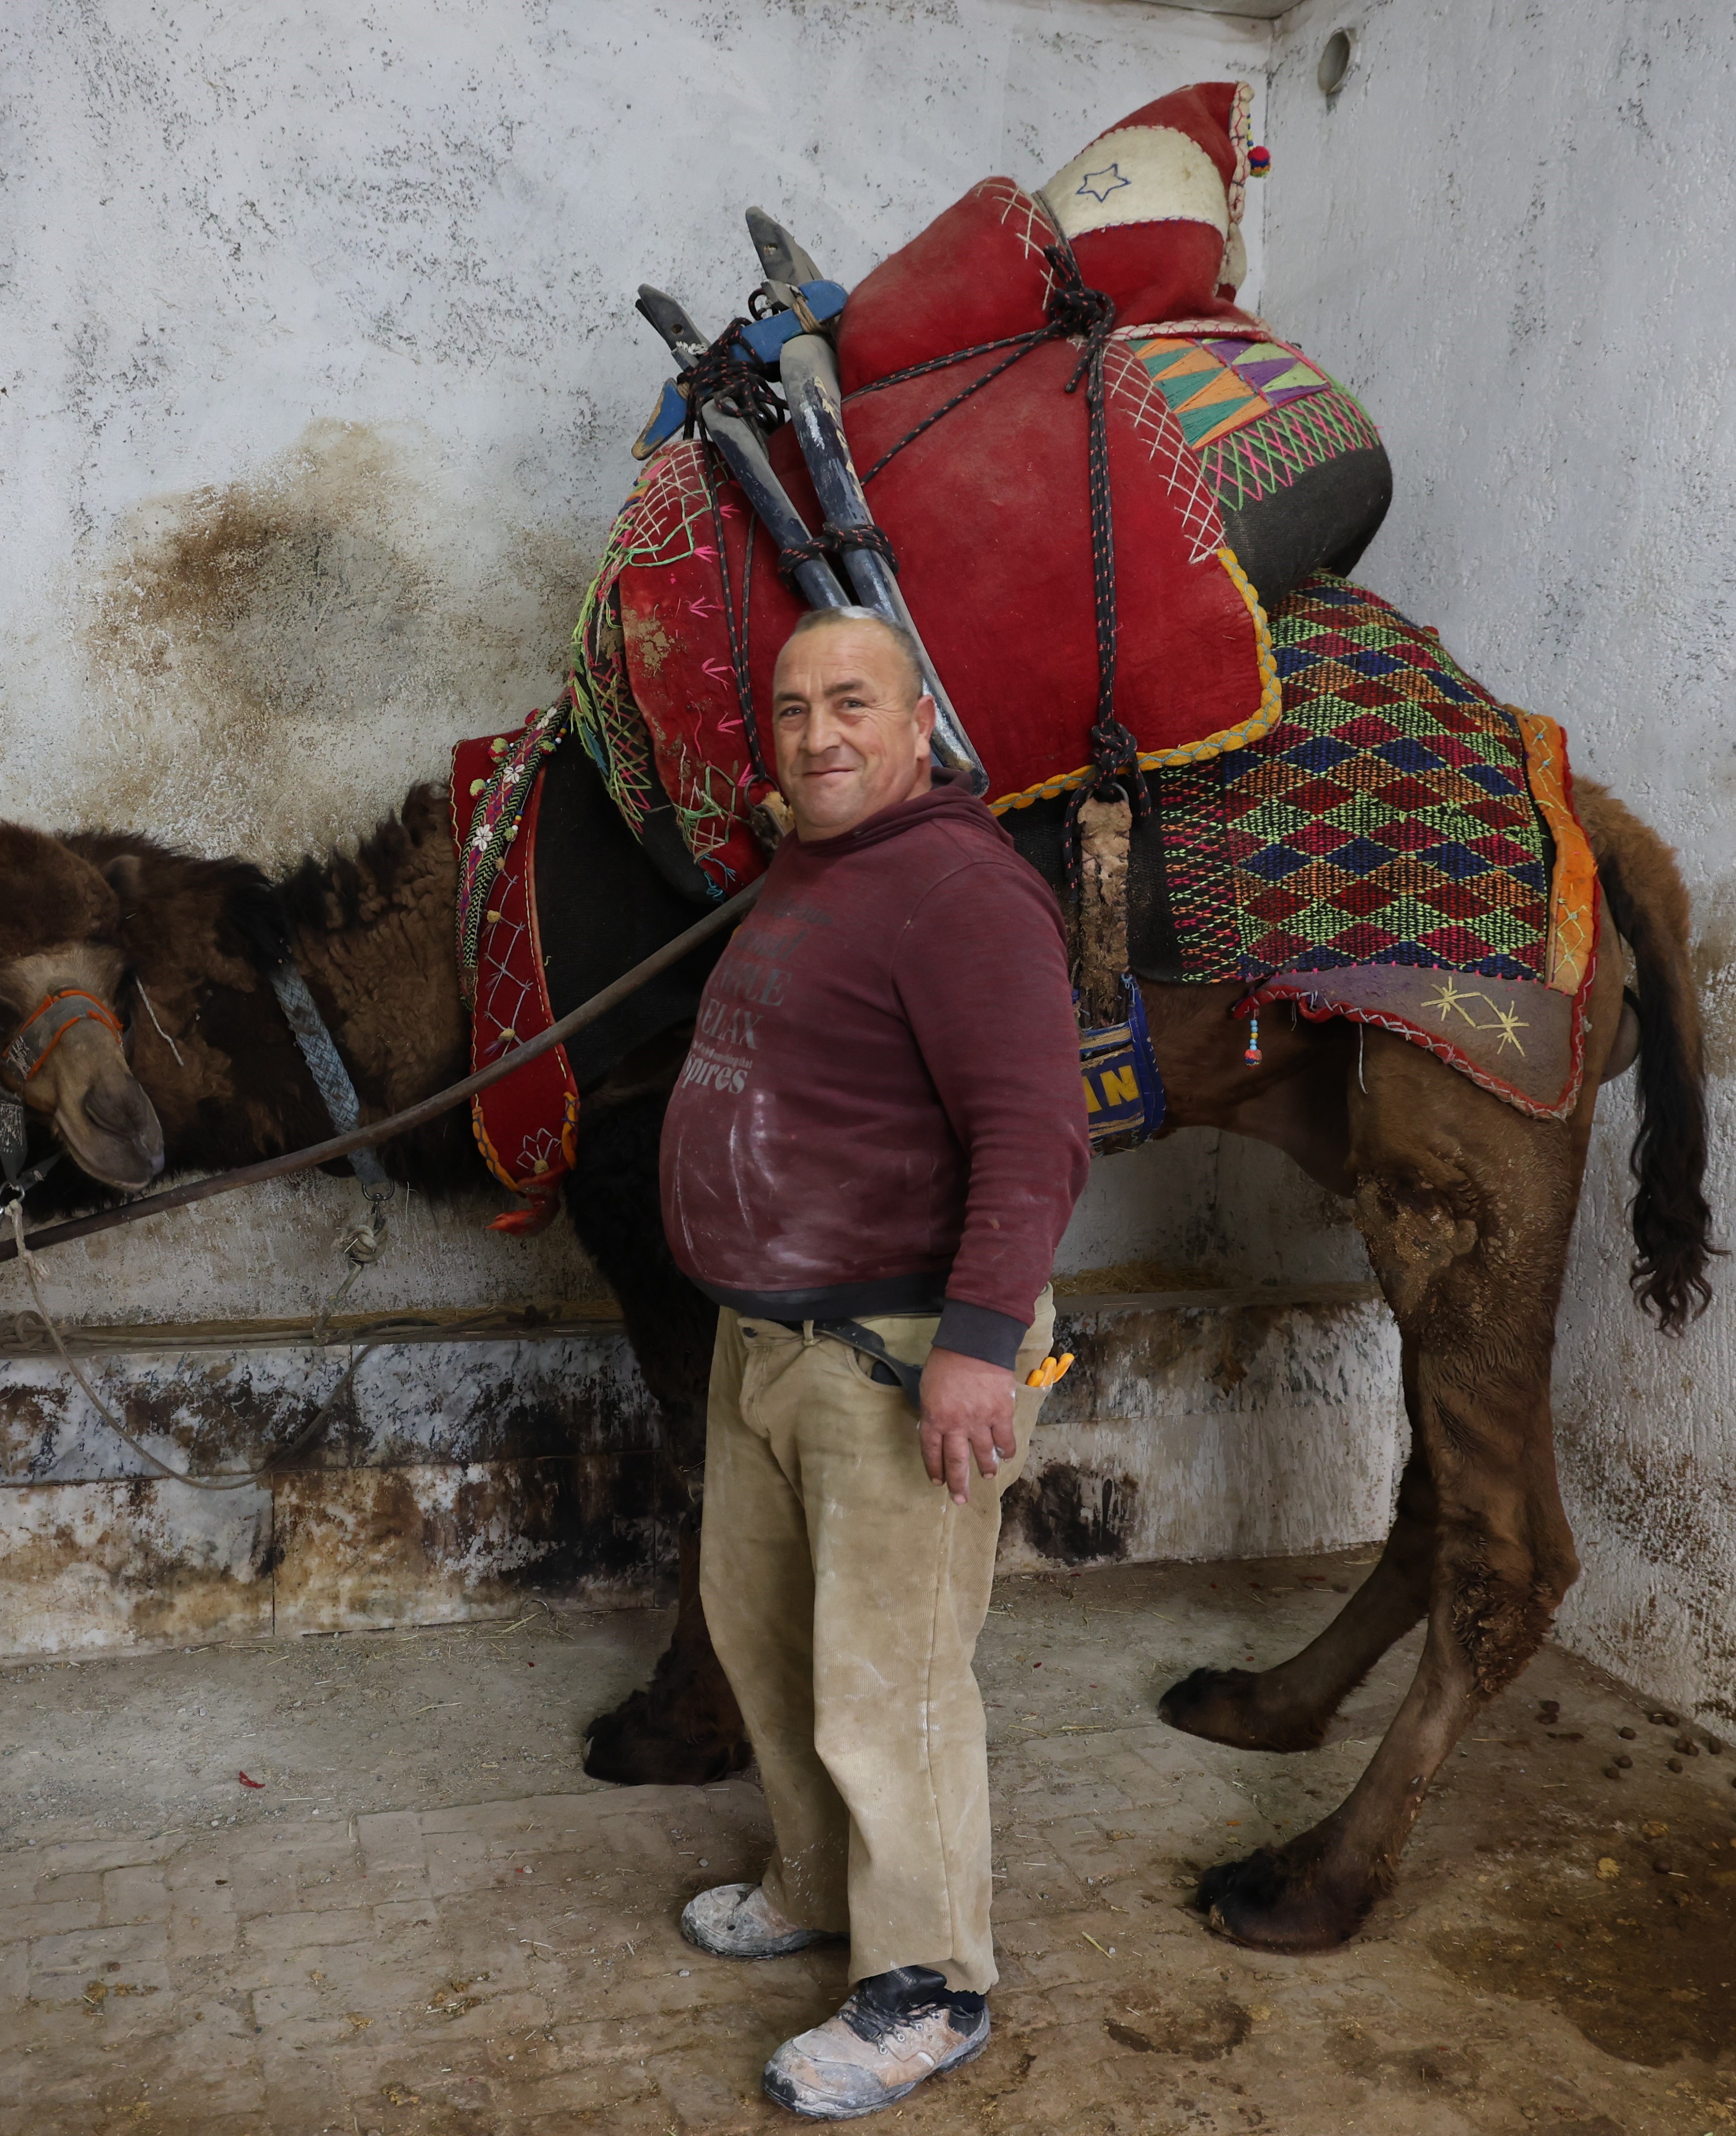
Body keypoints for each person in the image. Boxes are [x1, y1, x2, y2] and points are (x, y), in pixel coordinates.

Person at [659, 606, 1092, 2119]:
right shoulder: (818, 868)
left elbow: (1038, 1134)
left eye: (854, 704)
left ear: (923, 726)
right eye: (793, 709)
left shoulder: (962, 892)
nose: (819, 734)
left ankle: (929, 1985)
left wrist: (980, 1350)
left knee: (890, 1685)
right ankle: (819, 1882)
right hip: (772, 1341)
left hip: (906, 1359)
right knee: (768, 1637)